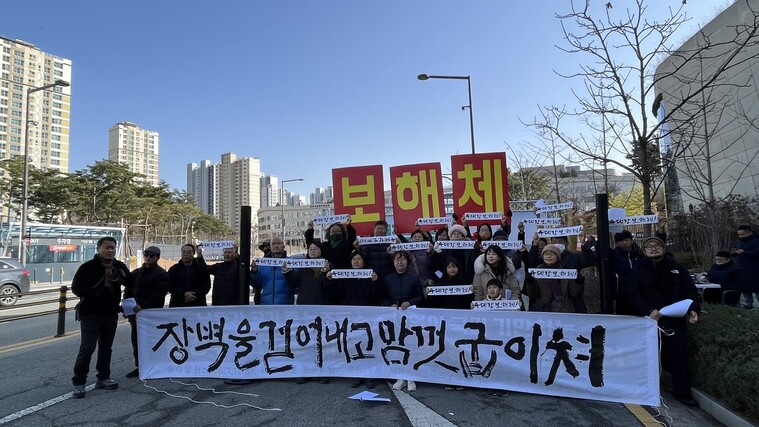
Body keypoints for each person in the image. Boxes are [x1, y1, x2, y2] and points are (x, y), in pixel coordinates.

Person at [627, 236, 700, 407]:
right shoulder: (637, 270)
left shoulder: (677, 269)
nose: (653, 249)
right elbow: (633, 293)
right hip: (649, 321)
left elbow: (690, 292)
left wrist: (693, 309)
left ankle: (683, 394)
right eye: (649, 246)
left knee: (678, 358)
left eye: (657, 245)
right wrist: (648, 311)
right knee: (648, 358)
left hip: (675, 321)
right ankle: (644, 392)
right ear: (644, 251)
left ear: (663, 248)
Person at [71, 236, 131, 399]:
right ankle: (79, 382)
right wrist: (95, 293)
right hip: (90, 313)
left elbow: (130, 283)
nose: (110, 250)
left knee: (106, 347)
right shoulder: (87, 267)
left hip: (110, 313)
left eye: (112, 247)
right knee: (87, 348)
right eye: (107, 247)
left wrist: (123, 274)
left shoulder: (119, 266)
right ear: (99, 249)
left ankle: (103, 377)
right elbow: (76, 288)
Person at [327, 250, 382, 388]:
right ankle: (356, 374)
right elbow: (335, 295)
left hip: (368, 317)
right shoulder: (345, 277)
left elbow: (378, 296)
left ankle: (370, 376)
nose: (356, 262)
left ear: (364, 262)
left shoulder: (371, 276)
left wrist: (375, 282)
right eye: (354, 259)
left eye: (359, 259)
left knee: (368, 345)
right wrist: (330, 281)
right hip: (350, 317)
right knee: (354, 346)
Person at [123, 246, 169, 379]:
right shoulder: (136, 273)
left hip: (152, 315)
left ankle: (158, 365)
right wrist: (126, 307)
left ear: (157, 257)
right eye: (146, 254)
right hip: (135, 315)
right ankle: (140, 366)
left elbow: (159, 294)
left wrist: (143, 306)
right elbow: (128, 291)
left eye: (152, 255)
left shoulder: (162, 274)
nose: (149, 257)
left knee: (153, 341)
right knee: (136, 341)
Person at [383, 251, 424, 392]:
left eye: (402, 260)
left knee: (410, 346)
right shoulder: (388, 279)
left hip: (410, 318)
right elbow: (383, 297)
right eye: (397, 260)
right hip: (393, 318)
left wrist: (410, 302)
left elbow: (421, 297)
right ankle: (400, 376)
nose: (399, 262)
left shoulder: (413, 278)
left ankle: (411, 377)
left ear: (407, 262)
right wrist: (390, 304)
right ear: (393, 262)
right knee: (396, 346)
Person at [526, 244, 583, 313]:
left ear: (558, 256)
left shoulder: (566, 273)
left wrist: (578, 283)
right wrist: (530, 283)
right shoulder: (537, 273)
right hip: (544, 311)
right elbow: (533, 294)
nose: (548, 256)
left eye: (552, 254)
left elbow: (575, 293)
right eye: (546, 254)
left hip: (564, 310)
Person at [251, 235, 293, 305]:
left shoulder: (291, 262)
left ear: (284, 246)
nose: (276, 246)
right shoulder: (262, 263)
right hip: (265, 305)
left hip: (285, 305)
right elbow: (256, 284)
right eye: (273, 244)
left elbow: (294, 284)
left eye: (279, 243)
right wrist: (254, 272)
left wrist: (288, 272)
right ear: (270, 247)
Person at [608, 230, 642, 315]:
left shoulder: (640, 254)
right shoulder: (613, 255)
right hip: (621, 298)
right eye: (620, 241)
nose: (624, 243)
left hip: (641, 296)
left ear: (631, 240)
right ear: (616, 243)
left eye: (626, 240)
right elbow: (601, 247)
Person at [168, 244, 211, 308]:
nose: (185, 254)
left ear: (194, 254)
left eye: (189, 252)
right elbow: (170, 285)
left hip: (198, 304)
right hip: (177, 304)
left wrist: (193, 295)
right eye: (183, 252)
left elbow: (206, 285)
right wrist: (184, 294)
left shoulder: (200, 268)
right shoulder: (174, 269)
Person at [731, 225, 759, 309]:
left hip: (754, 268)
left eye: (743, 234)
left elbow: (757, 252)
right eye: (739, 234)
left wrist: (745, 252)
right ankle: (748, 303)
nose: (741, 236)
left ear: (749, 232)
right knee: (744, 287)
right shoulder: (738, 241)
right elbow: (733, 250)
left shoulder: (757, 240)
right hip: (740, 267)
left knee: (757, 287)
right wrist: (734, 252)